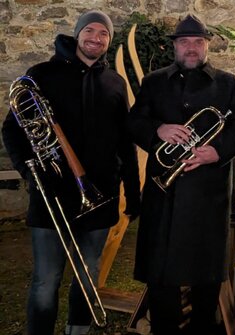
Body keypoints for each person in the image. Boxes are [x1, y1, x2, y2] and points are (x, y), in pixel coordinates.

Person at [1, 10, 141, 335]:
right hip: (51, 196)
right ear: (77, 35)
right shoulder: (42, 74)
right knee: (46, 279)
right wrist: (29, 171)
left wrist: (132, 195)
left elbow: (125, 144)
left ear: (109, 39)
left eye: (103, 33)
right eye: (89, 31)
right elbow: (13, 130)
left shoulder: (115, 83)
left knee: (88, 274)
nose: (96, 38)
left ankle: (77, 330)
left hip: (101, 197)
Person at [128, 14, 235, 334]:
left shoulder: (228, 83)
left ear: (207, 45)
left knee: (205, 277)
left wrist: (218, 151)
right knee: (161, 275)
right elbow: (133, 123)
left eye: (198, 42)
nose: (192, 48)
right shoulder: (154, 82)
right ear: (175, 46)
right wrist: (159, 129)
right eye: (184, 42)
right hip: (163, 195)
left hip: (207, 194)